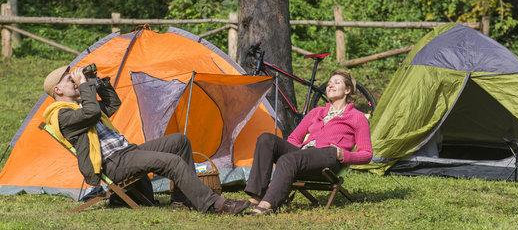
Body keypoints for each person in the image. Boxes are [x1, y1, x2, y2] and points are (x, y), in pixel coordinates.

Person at [42, 65, 250, 215]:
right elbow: (93, 113)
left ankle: (181, 201)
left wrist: (97, 82)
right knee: (172, 162)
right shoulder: (62, 116)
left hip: (127, 153)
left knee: (179, 141)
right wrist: (86, 87)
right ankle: (216, 204)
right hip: (113, 164)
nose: (75, 81)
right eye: (70, 80)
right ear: (58, 90)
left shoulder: (79, 107)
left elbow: (113, 104)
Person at [243, 70, 373, 215]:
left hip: (329, 156)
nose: (330, 86)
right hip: (304, 155)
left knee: (288, 159)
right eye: (329, 84)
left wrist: (342, 154)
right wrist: (301, 150)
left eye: (337, 83)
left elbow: (366, 154)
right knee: (266, 139)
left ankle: (267, 205)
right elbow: (293, 139)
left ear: (348, 90)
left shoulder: (357, 117)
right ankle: (256, 197)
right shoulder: (316, 112)